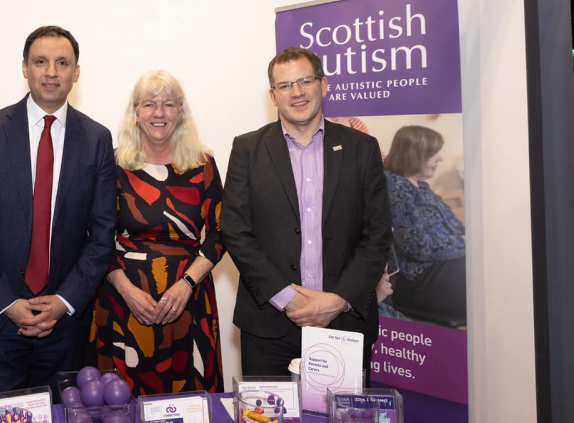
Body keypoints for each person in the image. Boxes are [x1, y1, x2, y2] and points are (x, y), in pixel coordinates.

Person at [0, 26, 116, 405]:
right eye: (40, 61)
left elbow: (103, 233)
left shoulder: (97, 139)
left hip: (64, 327)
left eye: (62, 63)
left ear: (76, 73)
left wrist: (64, 300)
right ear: (24, 68)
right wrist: (8, 304)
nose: (51, 71)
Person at [221, 47, 392, 377]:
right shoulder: (247, 149)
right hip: (269, 328)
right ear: (273, 96)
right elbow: (235, 230)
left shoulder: (361, 148)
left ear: (324, 85)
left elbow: (378, 233)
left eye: (305, 81)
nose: (296, 93)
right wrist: (288, 298)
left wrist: (339, 300)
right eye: (285, 86)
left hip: (343, 324)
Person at [89, 71, 224, 396]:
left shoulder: (203, 164)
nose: (159, 113)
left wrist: (186, 285)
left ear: (181, 111)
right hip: (123, 308)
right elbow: (94, 235)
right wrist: (128, 292)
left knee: (191, 404)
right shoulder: (113, 165)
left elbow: (221, 233)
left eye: (168, 104)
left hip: (189, 306)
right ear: (135, 112)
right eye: (149, 104)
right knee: (120, 405)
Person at [383, 125, 466, 326]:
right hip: (415, 280)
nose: (440, 159)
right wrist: (465, 244)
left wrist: (466, 242)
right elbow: (417, 246)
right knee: (482, 278)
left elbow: (456, 227)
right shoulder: (394, 188)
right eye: (433, 153)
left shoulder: (422, 186)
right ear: (414, 155)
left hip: (441, 266)